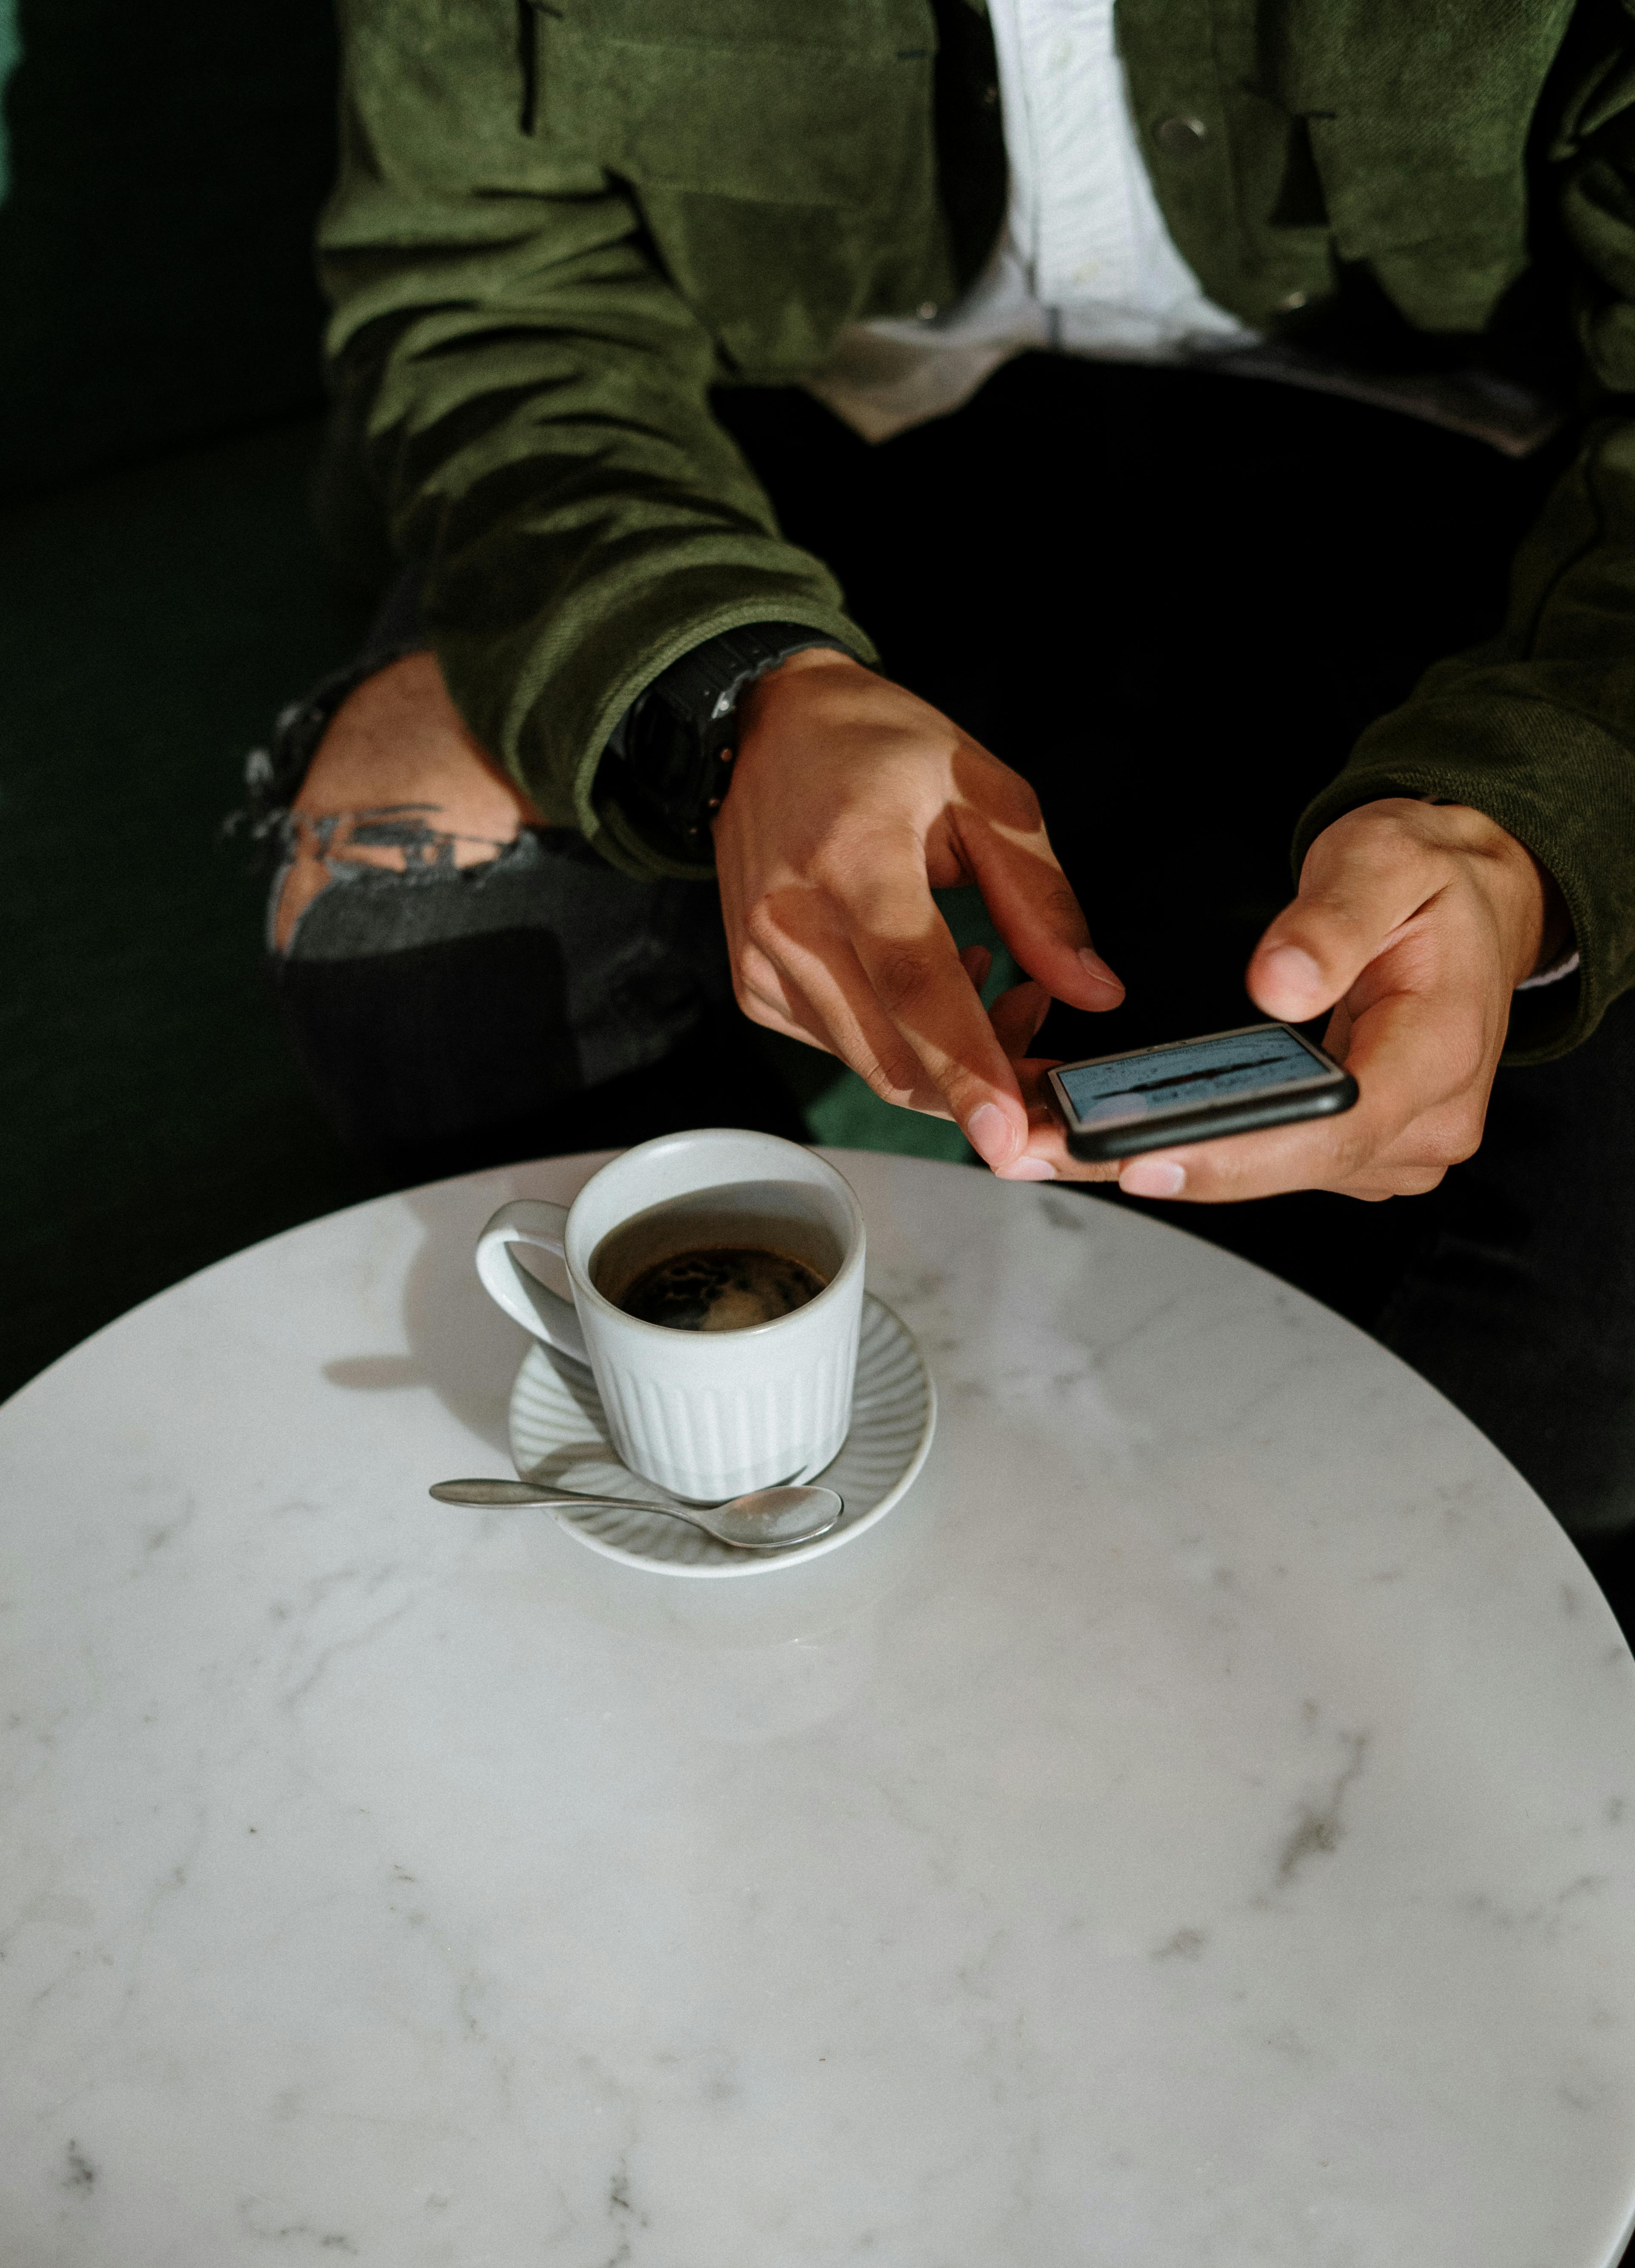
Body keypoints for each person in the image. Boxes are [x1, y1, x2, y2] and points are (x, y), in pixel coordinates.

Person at [244, 0, 1635, 1594]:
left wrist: (1532, 830)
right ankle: (737, 1526)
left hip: (1474, 496)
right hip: (778, 448)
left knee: (1583, 1345)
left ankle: (1311, 1711)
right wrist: (733, 686)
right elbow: (476, 291)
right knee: (410, 893)